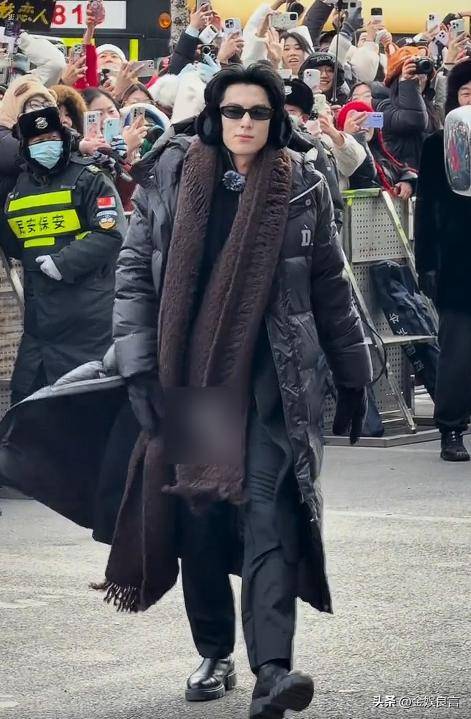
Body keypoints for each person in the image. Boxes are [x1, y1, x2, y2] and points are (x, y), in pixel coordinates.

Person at [106, 63, 372, 718]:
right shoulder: (172, 176)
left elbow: (330, 284)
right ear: (213, 117)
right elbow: (135, 273)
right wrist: (138, 368)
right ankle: (215, 650)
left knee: (269, 513)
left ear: (275, 120)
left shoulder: (302, 183)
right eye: (233, 111)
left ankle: (272, 669)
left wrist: (354, 371)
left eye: (258, 112)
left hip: (275, 380)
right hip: (196, 378)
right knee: (201, 517)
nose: (245, 123)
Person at [3, 106, 126, 403]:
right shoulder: (19, 187)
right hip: (40, 322)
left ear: (65, 139)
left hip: (86, 317)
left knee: (86, 403)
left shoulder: (90, 177)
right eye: (37, 141)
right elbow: (14, 241)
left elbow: (110, 232)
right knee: (27, 403)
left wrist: (63, 262)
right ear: (25, 147)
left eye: (51, 138)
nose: (45, 145)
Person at [415, 60, 471, 462]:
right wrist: (427, 264)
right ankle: (451, 426)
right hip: (457, 261)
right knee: (458, 350)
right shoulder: (438, 144)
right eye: (466, 93)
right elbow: (426, 207)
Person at [337, 100, 416, 197]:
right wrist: (352, 139)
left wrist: (408, 182)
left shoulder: (382, 153)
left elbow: (404, 170)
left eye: (367, 119)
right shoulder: (340, 157)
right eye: (356, 120)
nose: (364, 125)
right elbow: (366, 178)